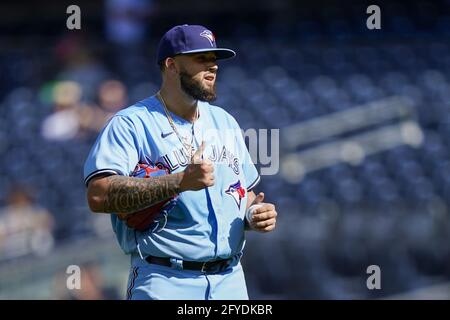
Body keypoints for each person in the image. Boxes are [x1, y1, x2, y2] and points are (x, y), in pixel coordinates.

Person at [83, 24, 277, 300]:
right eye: (201, 59)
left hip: (230, 281)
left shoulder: (225, 121)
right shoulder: (130, 124)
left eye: (214, 60)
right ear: (171, 65)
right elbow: (98, 196)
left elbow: (241, 194)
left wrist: (253, 214)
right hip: (165, 280)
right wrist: (179, 182)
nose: (213, 67)